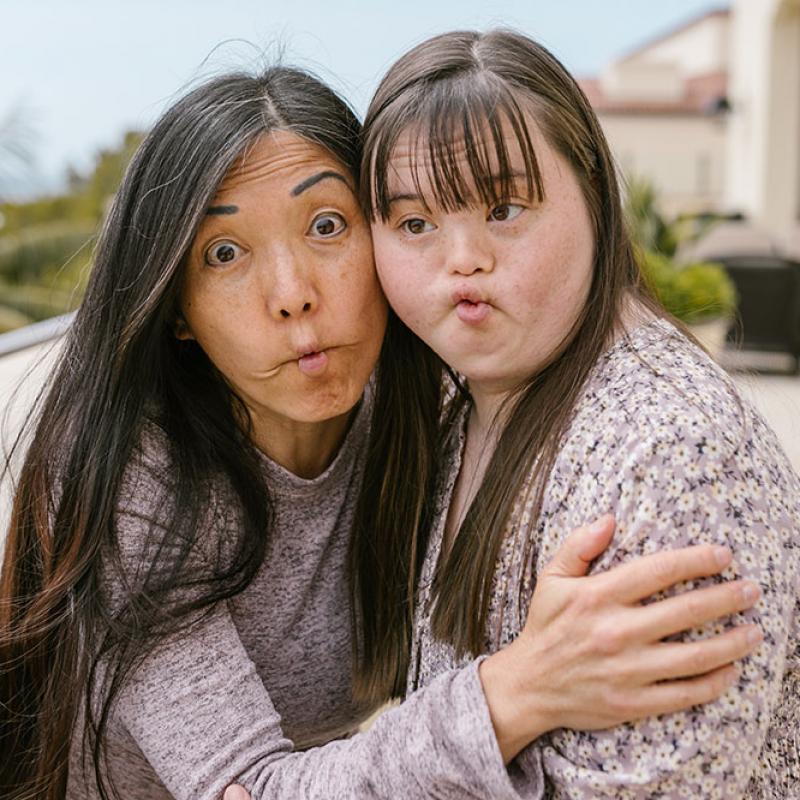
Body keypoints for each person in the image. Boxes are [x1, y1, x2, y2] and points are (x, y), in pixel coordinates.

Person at [0, 67, 762, 800]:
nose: (294, 295)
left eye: (327, 226)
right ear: (176, 310)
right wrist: (517, 689)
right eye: (224, 254)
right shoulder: (139, 475)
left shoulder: (425, 410)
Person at [355, 28, 800, 798]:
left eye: (504, 206)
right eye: (414, 224)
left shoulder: (670, 457)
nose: (462, 258)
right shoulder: (462, 402)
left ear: (594, 192)